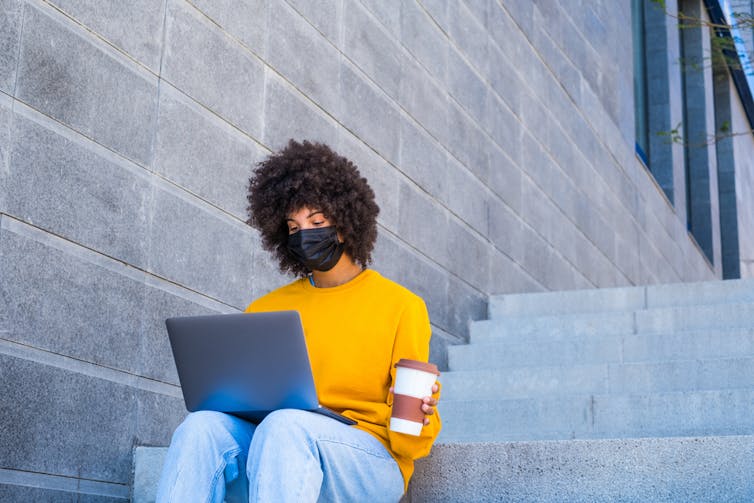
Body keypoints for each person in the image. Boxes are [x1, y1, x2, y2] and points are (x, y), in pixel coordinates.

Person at [156, 139, 441, 502]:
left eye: (317, 221)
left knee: (286, 424)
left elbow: (409, 443)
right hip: (276, 453)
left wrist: (421, 412)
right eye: (293, 227)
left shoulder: (402, 305)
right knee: (201, 427)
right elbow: (248, 406)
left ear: (346, 222)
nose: (304, 235)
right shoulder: (266, 308)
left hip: (367, 461)